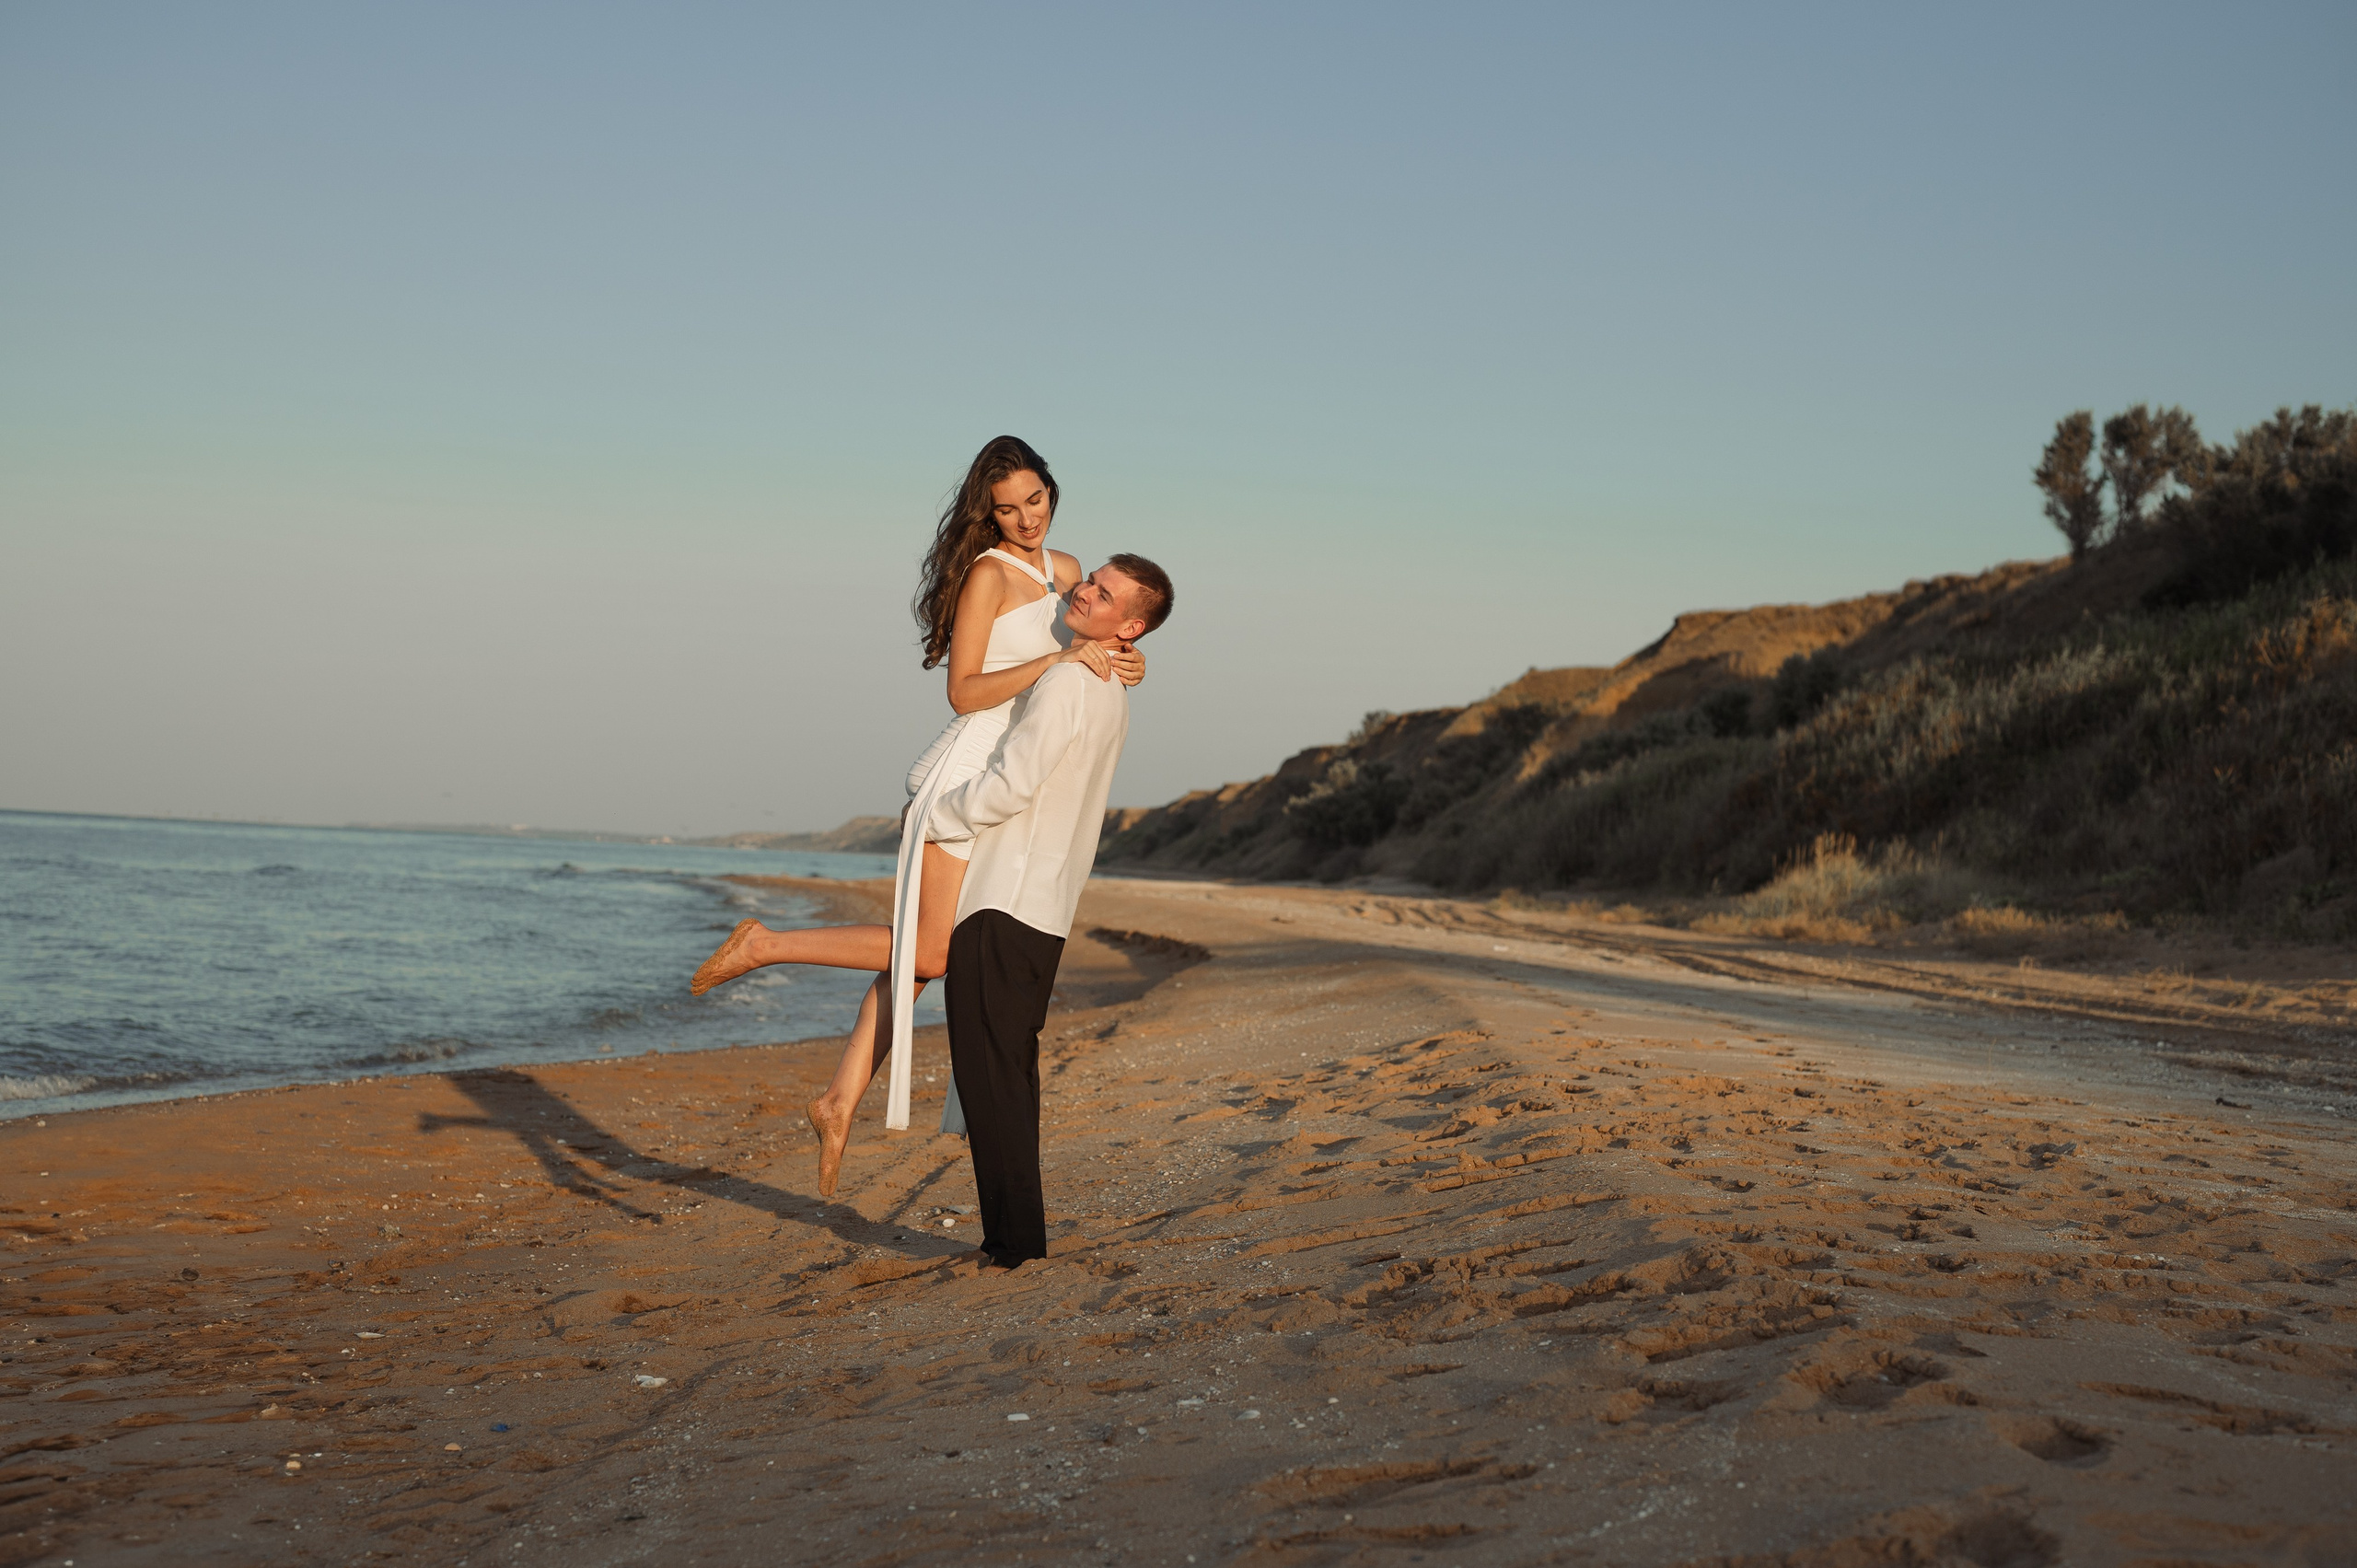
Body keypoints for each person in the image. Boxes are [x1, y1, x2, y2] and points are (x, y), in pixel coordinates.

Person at [687, 436, 1143, 1196]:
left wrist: (1128, 658)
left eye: (1036, 500)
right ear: (986, 514)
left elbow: (1101, 628)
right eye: (1007, 508)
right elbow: (964, 691)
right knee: (933, 956)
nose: (1027, 518)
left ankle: (838, 1100)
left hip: (1004, 778)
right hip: (963, 774)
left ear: (1051, 493)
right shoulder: (988, 576)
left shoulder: (1066, 571)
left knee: (925, 955)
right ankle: (766, 943)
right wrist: (1060, 662)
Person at [923, 553, 1174, 1269]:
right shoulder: (1112, 691)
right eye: (1088, 580)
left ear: (1128, 625)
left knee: (990, 1075)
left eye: (1103, 594)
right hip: (1044, 908)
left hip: (1005, 900)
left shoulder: (1069, 679)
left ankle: (1013, 1246)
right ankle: (1013, 1238)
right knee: (1008, 1073)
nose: (1083, 591)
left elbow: (1010, 785)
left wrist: (934, 813)